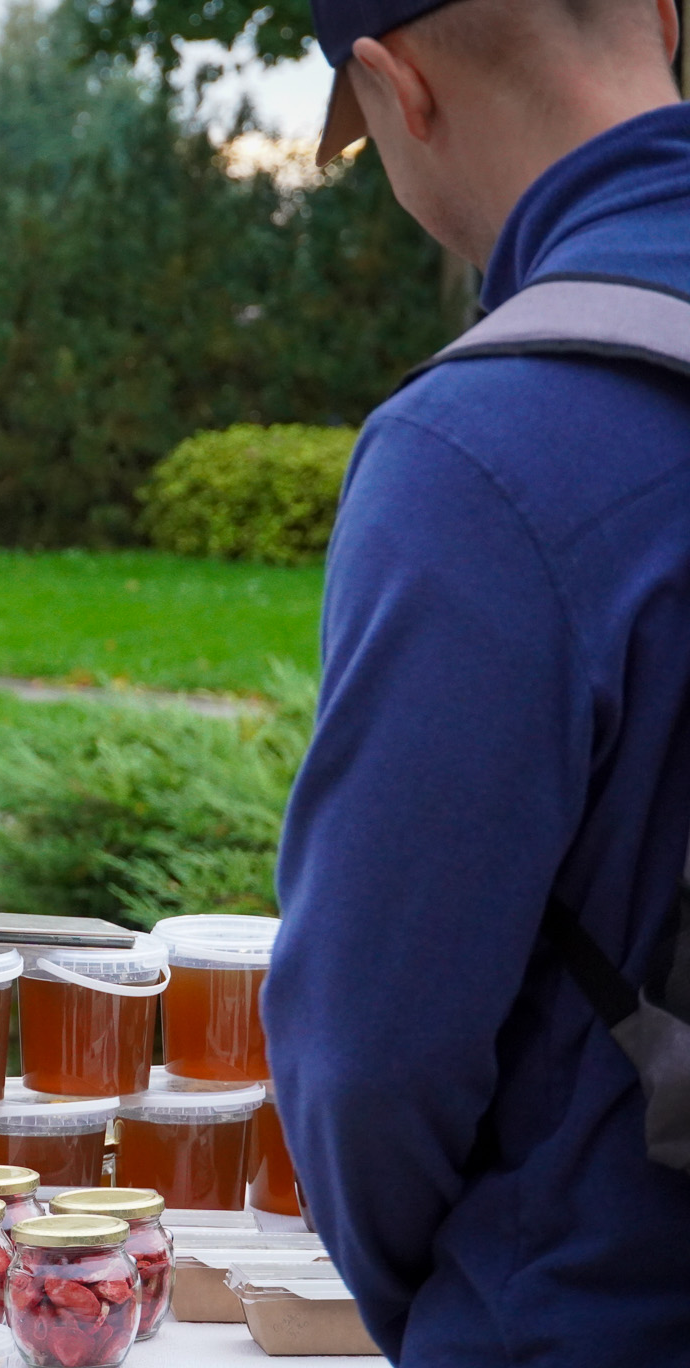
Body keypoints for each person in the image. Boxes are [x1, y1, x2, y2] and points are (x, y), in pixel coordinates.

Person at [264, 0, 690, 1361]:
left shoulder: (485, 449)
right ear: (669, 18)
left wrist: (466, 1306)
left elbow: (368, 1061)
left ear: (400, 91)